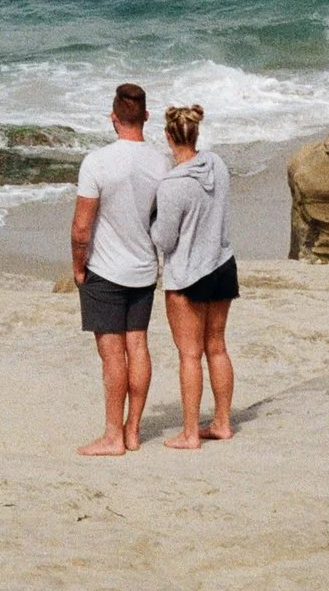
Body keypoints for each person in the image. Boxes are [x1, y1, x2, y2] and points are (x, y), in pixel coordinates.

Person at [70, 82, 170, 456]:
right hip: (144, 268)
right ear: (145, 116)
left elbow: (82, 228)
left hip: (105, 270)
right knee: (139, 346)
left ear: (113, 117)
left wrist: (78, 268)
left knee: (113, 356)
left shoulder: (96, 162)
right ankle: (133, 431)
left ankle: (113, 436)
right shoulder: (161, 163)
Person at [151, 103, 238, 449]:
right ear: (195, 133)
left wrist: (152, 221)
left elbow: (165, 239)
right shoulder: (217, 164)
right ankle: (222, 422)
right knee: (216, 347)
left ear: (169, 137)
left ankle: (190, 433)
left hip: (188, 274)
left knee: (189, 354)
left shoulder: (172, 185)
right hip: (222, 263)